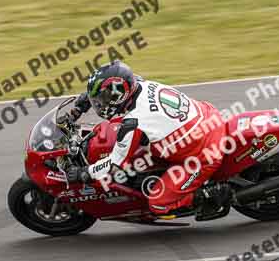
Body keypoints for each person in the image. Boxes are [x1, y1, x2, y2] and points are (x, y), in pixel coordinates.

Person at [62, 61, 229, 219]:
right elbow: (113, 85)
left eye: (102, 99)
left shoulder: (133, 122)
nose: (100, 103)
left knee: (158, 204)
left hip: (204, 152)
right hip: (206, 115)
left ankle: (208, 196)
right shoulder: (137, 84)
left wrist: (84, 172)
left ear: (119, 95)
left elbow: (114, 164)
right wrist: (81, 106)